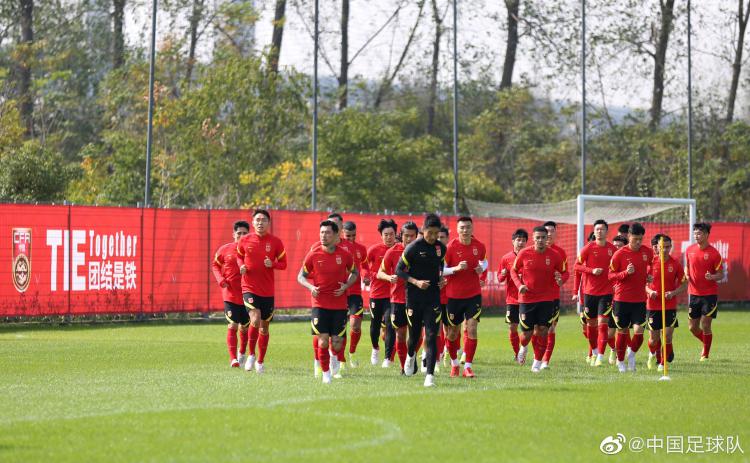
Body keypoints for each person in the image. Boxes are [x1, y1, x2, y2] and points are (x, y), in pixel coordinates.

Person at [297, 220, 358, 384]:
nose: (324, 235)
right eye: (322, 232)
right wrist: (311, 287)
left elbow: (354, 273)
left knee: (337, 343)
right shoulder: (313, 254)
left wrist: (346, 286)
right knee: (323, 340)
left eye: (328, 232)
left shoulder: (344, 254)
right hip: (319, 304)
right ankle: (325, 374)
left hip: (339, 305)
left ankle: (333, 358)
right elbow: (300, 276)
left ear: (336, 235)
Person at [395, 214, 446, 387]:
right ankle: (410, 356)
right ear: (423, 230)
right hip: (414, 298)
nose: (433, 237)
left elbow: (440, 265)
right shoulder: (413, 247)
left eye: (436, 234)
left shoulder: (441, 248)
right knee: (414, 336)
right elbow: (399, 270)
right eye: (430, 233)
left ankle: (429, 376)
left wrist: (441, 278)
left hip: (433, 298)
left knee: (431, 336)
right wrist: (415, 282)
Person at [236, 209, 287, 374]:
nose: (260, 222)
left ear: (268, 223)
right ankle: (251, 355)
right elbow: (239, 256)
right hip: (249, 287)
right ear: (253, 222)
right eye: (257, 220)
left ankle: (260, 361)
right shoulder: (245, 240)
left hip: (267, 291)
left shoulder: (276, 242)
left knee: (264, 328)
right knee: (255, 318)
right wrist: (241, 266)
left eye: (263, 220)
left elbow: (284, 264)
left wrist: (272, 264)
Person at [511, 226, 565, 372]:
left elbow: (564, 272)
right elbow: (513, 271)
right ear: (533, 239)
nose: (540, 240)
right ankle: (523, 347)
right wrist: (519, 285)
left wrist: (561, 280)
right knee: (527, 334)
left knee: (543, 330)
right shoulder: (524, 253)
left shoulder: (554, 255)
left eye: (543, 237)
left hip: (546, 299)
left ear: (547, 238)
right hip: (527, 299)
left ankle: (536, 364)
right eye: (538, 238)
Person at [443, 216, 487, 378]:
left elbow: (484, 262)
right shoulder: (450, 247)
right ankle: (455, 364)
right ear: (457, 229)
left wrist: (482, 268)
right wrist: (455, 268)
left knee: (472, 328)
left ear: (472, 228)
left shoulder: (479, 246)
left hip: (473, 295)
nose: (465, 230)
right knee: (453, 333)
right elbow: (441, 270)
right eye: (462, 227)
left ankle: (468, 367)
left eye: (468, 227)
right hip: (454, 296)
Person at [608, 222, 653, 373]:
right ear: (628, 236)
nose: (638, 242)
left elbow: (652, 265)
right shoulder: (619, 254)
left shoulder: (647, 252)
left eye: (640, 239)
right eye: (635, 239)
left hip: (639, 300)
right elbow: (610, 275)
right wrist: (625, 273)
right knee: (622, 331)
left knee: (639, 332)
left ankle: (631, 355)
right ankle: (621, 362)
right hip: (621, 300)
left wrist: (649, 275)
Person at [573, 219, 618, 367]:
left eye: (602, 229)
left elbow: (619, 267)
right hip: (589, 293)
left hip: (606, 293)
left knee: (603, 324)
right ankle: (594, 351)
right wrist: (591, 271)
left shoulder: (613, 249)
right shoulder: (588, 248)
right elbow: (576, 266)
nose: (599, 231)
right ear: (594, 231)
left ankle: (600, 357)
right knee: (591, 326)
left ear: (607, 231)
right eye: (597, 229)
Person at [378, 222, 419, 373]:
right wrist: (389, 278)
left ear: (416, 236)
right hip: (398, 300)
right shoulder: (392, 251)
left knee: (418, 335)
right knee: (400, 335)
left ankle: (411, 357)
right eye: (406, 235)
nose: (408, 239)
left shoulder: (422, 251)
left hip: (417, 299)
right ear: (401, 236)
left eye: (412, 236)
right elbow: (379, 273)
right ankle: (404, 367)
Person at [211, 221, 250, 368]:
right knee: (233, 325)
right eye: (239, 233)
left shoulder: (252, 251)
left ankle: (242, 353)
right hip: (230, 294)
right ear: (233, 234)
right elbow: (215, 265)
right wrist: (220, 279)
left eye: (244, 233)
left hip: (247, 294)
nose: (241, 236)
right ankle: (233, 359)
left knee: (244, 328)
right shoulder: (224, 249)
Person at [645, 234, 686, 370]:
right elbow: (642, 283)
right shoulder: (650, 263)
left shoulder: (675, 263)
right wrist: (650, 291)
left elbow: (684, 284)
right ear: (657, 247)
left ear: (671, 247)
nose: (665, 250)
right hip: (653, 306)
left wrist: (673, 293)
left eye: (668, 247)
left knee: (667, 336)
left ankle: (663, 364)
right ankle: (652, 354)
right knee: (654, 339)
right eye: (662, 247)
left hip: (669, 306)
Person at [685, 222, 724, 361]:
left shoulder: (714, 253)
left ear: (707, 235)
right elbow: (687, 266)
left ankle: (705, 354)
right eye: (695, 233)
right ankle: (706, 342)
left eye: (699, 233)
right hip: (693, 294)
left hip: (709, 295)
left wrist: (712, 277)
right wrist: (687, 274)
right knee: (692, 327)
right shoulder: (689, 250)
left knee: (706, 324)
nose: (696, 236)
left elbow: (721, 274)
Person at [365, 219, 398, 367]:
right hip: (376, 294)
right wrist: (369, 276)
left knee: (390, 324)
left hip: (393, 295)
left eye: (391, 234)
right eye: (386, 234)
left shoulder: (400, 250)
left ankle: (387, 358)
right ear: (381, 235)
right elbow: (364, 267)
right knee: (375, 326)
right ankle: (375, 348)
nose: (389, 237)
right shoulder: (374, 250)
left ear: (396, 234)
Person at [540, 221, 569, 369]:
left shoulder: (560, 253)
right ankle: (535, 355)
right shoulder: (533, 251)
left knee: (551, 328)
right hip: (535, 297)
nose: (549, 234)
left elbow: (566, 273)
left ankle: (545, 361)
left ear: (556, 232)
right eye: (547, 231)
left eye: (552, 231)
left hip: (553, 297)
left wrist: (561, 280)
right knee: (536, 330)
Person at [498, 228, 528, 363]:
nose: (520, 243)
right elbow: (499, 278)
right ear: (513, 241)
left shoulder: (530, 256)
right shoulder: (506, 258)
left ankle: (524, 350)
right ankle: (517, 354)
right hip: (512, 299)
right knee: (512, 327)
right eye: (518, 240)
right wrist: (503, 274)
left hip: (527, 299)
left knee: (528, 328)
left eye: (523, 240)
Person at [342, 221, 369, 367]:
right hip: (340, 292)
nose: (351, 238)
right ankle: (340, 359)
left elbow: (365, 266)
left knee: (355, 325)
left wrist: (366, 276)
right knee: (339, 328)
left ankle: (352, 352)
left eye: (353, 235)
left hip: (355, 292)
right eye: (348, 236)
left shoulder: (361, 249)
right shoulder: (337, 247)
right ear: (342, 233)